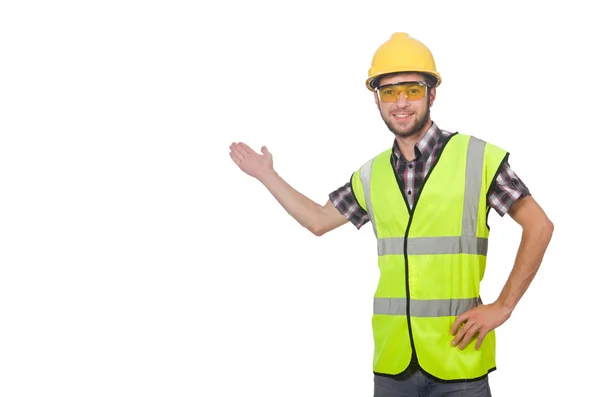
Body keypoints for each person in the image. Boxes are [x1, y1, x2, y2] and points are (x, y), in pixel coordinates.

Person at [228, 32, 554, 397]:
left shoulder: (477, 158)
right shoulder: (372, 174)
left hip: (460, 362)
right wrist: (266, 175)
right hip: (392, 366)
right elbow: (318, 220)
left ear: (432, 93)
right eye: (388, 91)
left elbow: (539, 226)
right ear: (377, 99)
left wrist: (503, 306)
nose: (400, 102)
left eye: (412, 90)